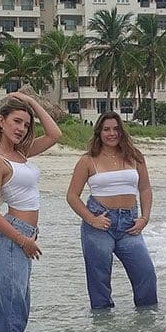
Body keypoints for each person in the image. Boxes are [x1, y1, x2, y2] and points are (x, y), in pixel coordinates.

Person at [0, 92, 62, 332]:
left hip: (24, 237)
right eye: (16, 121)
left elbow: (54, 134)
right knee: (11, 310)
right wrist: (22, 239)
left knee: (19, 308)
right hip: (11, 238)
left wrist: (31, 102)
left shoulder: (20, 153)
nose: (21, 129)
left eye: (26, 125)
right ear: (1, 122)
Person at [66, 111, 157, 309]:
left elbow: (145, 188)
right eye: (106, 129)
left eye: (116, 129)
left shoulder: (135, 157)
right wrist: (92, 220)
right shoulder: (88, 160)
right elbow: (72, 196)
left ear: (122, 131)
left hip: (129, 224)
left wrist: (145, 218)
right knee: (99, 282)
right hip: (99, 224)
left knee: (146, 273)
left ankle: (147, 326)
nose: (111, 133)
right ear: (99, 132)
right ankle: (104, 329)